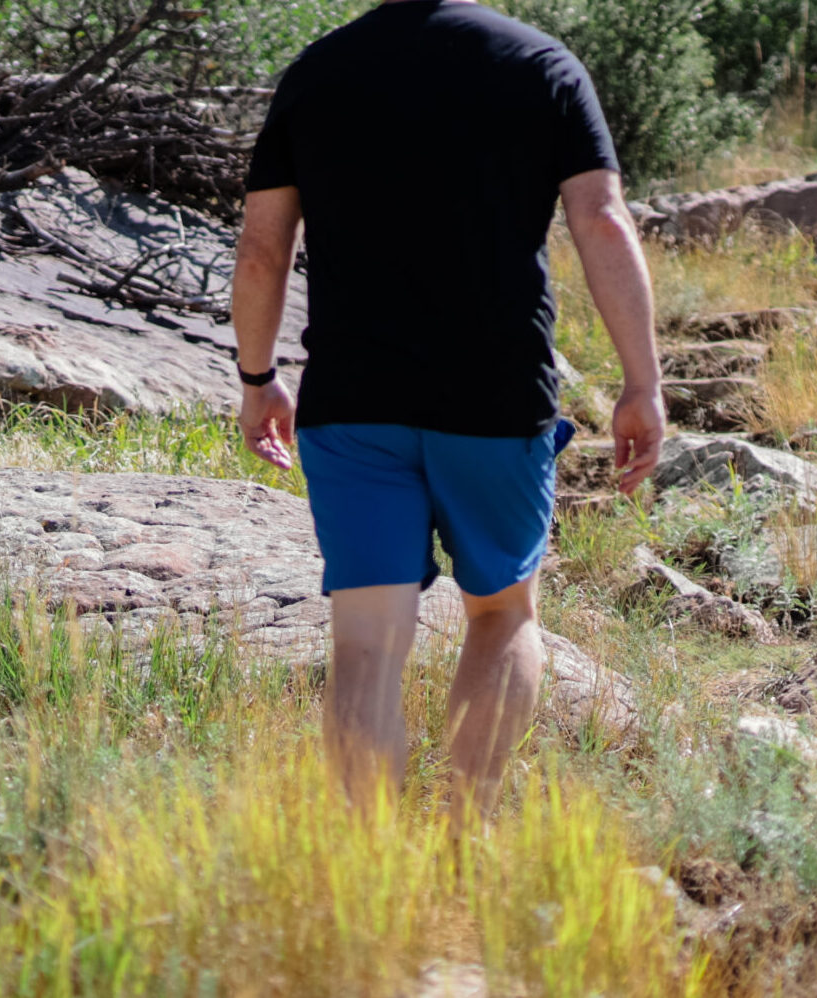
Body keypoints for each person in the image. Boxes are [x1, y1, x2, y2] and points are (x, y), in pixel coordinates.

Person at [230, 0, 664, 829]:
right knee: (501, 615)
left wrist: (258, 378)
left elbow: (261, 248)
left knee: (363, 649)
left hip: (352, 401)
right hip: (494, 399)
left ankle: (371, 873)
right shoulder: (540, 64)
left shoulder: (318, 72)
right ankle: (466, 841)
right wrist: (640, 382)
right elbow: (601, 218)